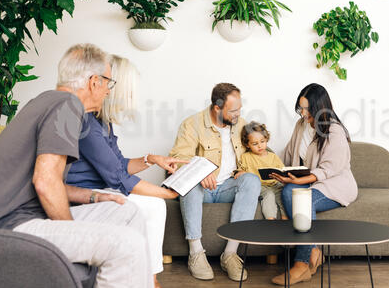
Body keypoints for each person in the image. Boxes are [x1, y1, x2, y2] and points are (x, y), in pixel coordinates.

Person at [0, 44, 154, 288]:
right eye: (109, 83)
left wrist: (93, 197)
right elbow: (45, 182)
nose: (108, 92)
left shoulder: (48, 101)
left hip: (19, 218)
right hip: (8, 226)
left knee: (128, 212)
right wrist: (76, 237)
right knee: (125, 246)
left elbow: (46, 179)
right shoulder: (67, 105)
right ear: (94, 82)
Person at [66, 55, 186, 288]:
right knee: (154, 205)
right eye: (130, 91)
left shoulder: (103, 122)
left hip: (102, 186)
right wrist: (167, 193)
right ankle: (150, 279)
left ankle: (148, 276)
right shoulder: (88, 124)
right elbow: (117, 176)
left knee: (153, 205)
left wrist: (152, 159)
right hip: (82, 195)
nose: (132, 97)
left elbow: (119, 163)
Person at [169, 83, 261, 281]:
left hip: (228, 186)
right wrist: (199, 172)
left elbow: (252, 153)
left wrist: (244, 169)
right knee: (190, 183)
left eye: (240, 108)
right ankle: (196, 253)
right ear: (217, 108)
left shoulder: (241, 124)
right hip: (202, 190)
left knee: (252, 181)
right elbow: (178, 159)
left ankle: (230, 254)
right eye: (233, 110)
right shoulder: (192, 125)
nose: (238, 114)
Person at [270, 83, 358, 286]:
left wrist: (300, 181)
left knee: (302, 198)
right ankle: (315, 249)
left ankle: (301, 265)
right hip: (308, 181)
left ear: (320, 108)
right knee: (289, 191)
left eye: (307, 109)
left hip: (334, 185)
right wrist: (274, 168)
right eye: (300, 108)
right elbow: (290, 154)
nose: (302, 113)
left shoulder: (334, 131)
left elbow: (328, 170)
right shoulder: (301, 125)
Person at [237, 121, 287, 220]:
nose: (260, 146)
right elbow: (241, 172)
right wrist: (240, 173)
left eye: (262, 142)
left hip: (275, 184)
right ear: (247, 145)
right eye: (255, 144)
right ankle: (270, 219)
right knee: (268, 195)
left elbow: (283, 170)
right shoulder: (246, 157)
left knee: (284, 194)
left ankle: (285, 217)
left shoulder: (273, 156)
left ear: (266, 140)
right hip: (261, 186)